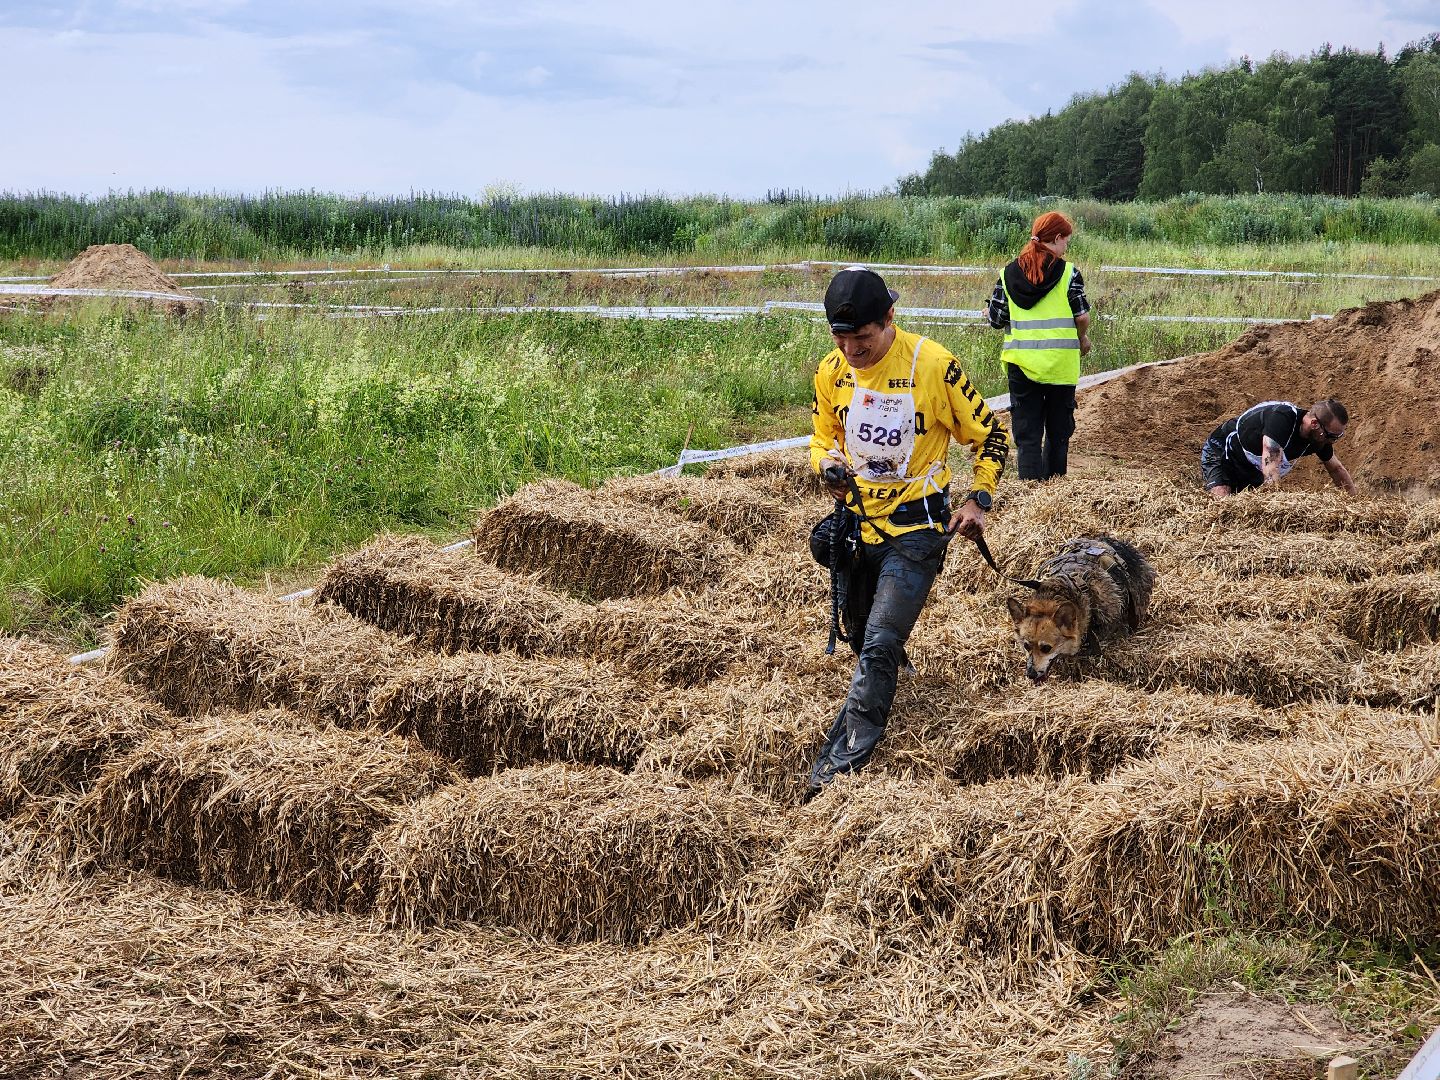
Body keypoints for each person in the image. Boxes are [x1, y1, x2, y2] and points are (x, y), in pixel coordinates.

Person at [806, 266, 1009, 800]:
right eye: (841, 338)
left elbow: (990, 436)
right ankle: (896, 673)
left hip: (918, 526)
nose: (852, 349)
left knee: (877, 641)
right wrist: (826, 465)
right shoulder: (831, 372)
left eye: (863, 338)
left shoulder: (933, 366)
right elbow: (822, 436)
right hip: (858, 524)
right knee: (859, 631)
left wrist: (978, 498)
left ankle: (840, 764)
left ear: (889, 318)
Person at [983, 211, 1091, 481]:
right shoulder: (1068, 273)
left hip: (1022, 363)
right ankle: (1054, 489)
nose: (1067, 246)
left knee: (1027, 433)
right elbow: (1082, 315)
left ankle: (1028, 490)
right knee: (1058, 432)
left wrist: (987, 314)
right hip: (1060, 366)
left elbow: (997, 320)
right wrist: (1082, 338)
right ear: (1056, 238)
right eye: (1066, 240)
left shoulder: (1008, 274)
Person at [1200, 398, 1357, 499]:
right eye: (1332, 436)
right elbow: (1271, 465)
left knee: (1240, 508)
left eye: (1338, 437)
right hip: (1223, 450)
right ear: (1315, 424)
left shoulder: (1318, 438)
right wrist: (1278, 503)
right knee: (1223, 503)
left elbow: (1336, 469)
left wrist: (1354, 503)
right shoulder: (1282, 418)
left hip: (1252, 468)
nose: (1332, 441)